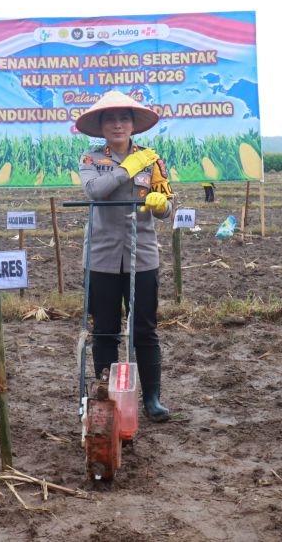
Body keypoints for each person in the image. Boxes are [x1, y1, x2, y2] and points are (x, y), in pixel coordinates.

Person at [76, 90, 174, 421]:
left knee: (145, 329)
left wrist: (162, 205)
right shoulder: (91, 159)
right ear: (101, 127)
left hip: (142, 255)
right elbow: (95, 192)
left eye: (124, 119)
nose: (117, 124)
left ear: (133, 125)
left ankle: (152, 399)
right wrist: (127, 169)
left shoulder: (153, 159)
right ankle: (106, 398)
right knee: (105, 329)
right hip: (102, 258)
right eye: (110, 119)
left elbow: (167, 203)